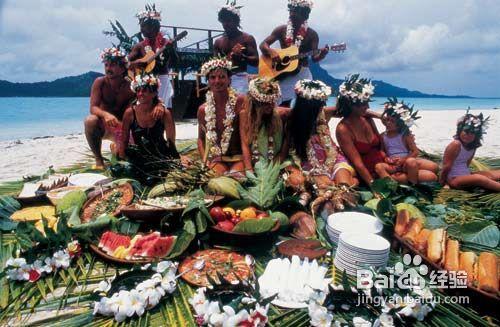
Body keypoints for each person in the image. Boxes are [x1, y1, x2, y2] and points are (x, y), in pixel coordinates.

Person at [335, 74, 406, 186]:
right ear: (350, 105)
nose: (367, 106)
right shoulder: (343, 129)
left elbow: (381, 145)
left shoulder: (367, 118)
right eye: (363, 104)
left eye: (367, 102)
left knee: (431, 171)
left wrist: (390, 158)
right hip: (370, 174)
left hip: (386, 165)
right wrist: (373, 186)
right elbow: (358, 164)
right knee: (426, 176)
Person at [288, 79, 357, 189]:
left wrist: (381, 115)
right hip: (308, 164)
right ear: (307, 107)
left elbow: (350, 110)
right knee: (321, 186)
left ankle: (347, 182)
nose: (322, 107)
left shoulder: (323, 114)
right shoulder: (291, 119)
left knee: (343, 184)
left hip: (333, 159)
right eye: (319, 105)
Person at [260, 0, 328, 107]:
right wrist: (271, 51)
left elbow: (314, 58)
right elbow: (263, 44)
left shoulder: (312, 34)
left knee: (306, 103)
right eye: (291, 11)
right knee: (282, 104)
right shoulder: (281, 30)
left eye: (295, 12)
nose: (291, 14)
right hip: (283, 73)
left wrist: (322, 55)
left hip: (303, 73)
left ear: (304, 15)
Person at [119, 74, 179, 181]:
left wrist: (173, 162)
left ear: (154, 93)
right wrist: (122, 162)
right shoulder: (130, 113)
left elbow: (171, 141)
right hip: (139, 158)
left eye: (145, 90)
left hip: (160, 157)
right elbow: (124, 141)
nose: (140, 94)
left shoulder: (165, 113)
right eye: (138, 91)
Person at [85, 48, 135, 169]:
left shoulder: (130, 86)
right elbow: (93, 108)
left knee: (128, 160)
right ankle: (99, 160)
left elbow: (136, 108)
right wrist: (106, 115)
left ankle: (117, 147)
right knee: (90, 120)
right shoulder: (100, 82)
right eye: (106, 65)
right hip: (105, 125)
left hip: (124, 127)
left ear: (123, 68)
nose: (108, 68)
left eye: (112, 65)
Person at [197, 57, 246, 176]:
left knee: (236, 179)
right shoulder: (203, 109)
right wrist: (206, 161)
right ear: (208, 81)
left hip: (238, 157)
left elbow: (248, 136)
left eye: (222, 77)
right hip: (218, 159)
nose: (217, 81)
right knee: (214, 181)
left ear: (229, 79)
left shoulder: (240, 101)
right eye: (212, 77)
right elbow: (200, 139)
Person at [375, 98, 439, 184]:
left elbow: (415, 151)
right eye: (387, 120)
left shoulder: (405, 134)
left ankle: (408, 182)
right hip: (393, 165)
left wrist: (403, 160)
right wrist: (386, 158)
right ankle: (392, 184)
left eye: (392, 121)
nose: (388, 123)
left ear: (400, 125)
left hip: (407, 164)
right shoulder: (383, 136)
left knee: (434, 168)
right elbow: (382, 150)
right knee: (379, 167)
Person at [128, 4, 175, 110]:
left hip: (163, 82)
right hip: (145, 83)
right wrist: (137, 62)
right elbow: (126, 63)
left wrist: (171, 49)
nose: (141, 30)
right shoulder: (139, 46)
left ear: (154, 27)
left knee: (165, 111)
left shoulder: (165, 43)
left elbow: (176, 62)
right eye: (141, 27)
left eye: (144, 27)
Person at [440, 111, 500, 192]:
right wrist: (443, 182)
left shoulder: (473, 146)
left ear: (477, 135)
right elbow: (446, 166)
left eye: (472, 133)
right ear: (460, 130)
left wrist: (468, 177)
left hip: (465, 175)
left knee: (493, 174)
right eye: (466, 132)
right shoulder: (456, 144)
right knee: (480, 179)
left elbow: (466, 164)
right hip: (453, 179)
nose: (468, 135)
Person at [239, 78, 288, 171]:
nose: (270, 106)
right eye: (265, 103)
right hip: (255, 164)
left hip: (277, 163)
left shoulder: (281, 115)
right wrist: (249, 169)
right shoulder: (244, 116)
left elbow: (283, 152)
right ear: (255, 102)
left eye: (272, 102)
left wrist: (272, 170)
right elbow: (244, 145)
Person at [214, 1, 259, 94]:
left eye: (229, 21)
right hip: (223, 81)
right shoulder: (218, 42)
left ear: (235, 21)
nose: (226, 24)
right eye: (223, 21)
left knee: (241, 107)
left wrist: (242, 57)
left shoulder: (247, 38)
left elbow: (256, 61)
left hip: (243, 79)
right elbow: (214, 65)